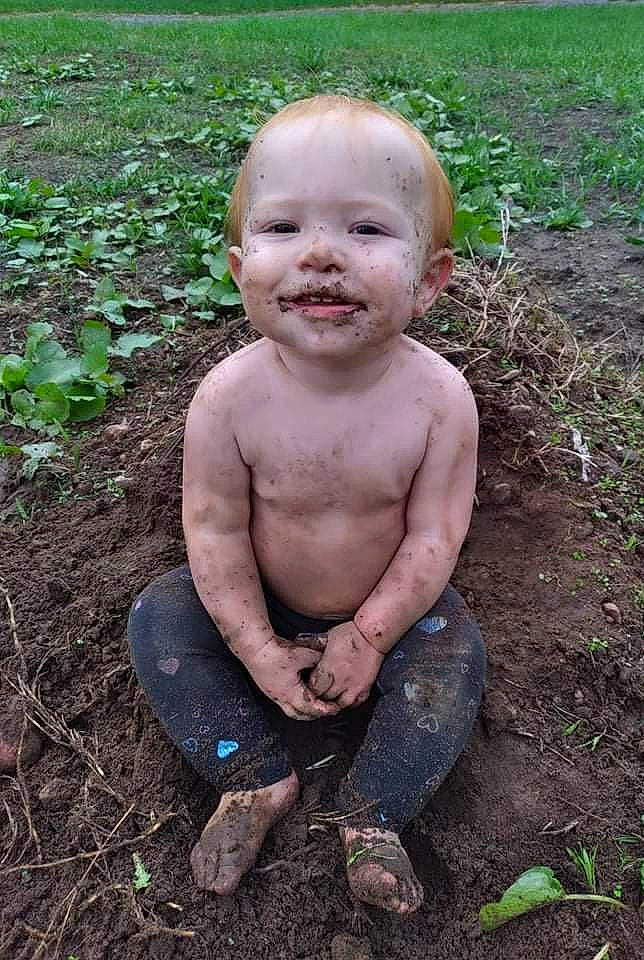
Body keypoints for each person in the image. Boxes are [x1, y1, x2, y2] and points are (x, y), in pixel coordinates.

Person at [128, 94, 485, 916]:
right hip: (264, 601)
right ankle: (252, 775)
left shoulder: (439, 401)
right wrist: (254, 644)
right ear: (237, 266)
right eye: (283, 229)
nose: (321, 254)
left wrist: (368, 635)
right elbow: (213, 529)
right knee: (160, 617)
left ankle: (373, 816)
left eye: (366, 230)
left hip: (391, 616)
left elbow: (436, 534)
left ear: (430, 279)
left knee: (454, 659)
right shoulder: (228, 398)